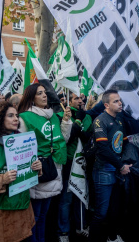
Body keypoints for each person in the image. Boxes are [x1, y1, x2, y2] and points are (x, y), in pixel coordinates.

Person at [0, 101, 42, 242]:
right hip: (0, 220)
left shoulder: (21, 142)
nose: (16, 118)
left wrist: (36, 168)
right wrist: (0, 180)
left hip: (23, 215)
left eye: (16, 115)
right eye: (11, 116)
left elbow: (27, 174)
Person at [18, 83, 72, 242]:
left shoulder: (53, 116)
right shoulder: (24, 117)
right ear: (31, 98)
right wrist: (36, 156)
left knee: (42, 217)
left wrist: (66, 122)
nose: (44, 96)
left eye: (44, 93)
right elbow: (21, 147)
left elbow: (62, 140)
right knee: (34, 218)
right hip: (38, 172)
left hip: (53, 170)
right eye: (39, 93)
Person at [89, 89, 132, 242]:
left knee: (115, 209)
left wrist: (125, 162)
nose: (120, 103)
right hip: (103, 170)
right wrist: (121, 166)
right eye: (116, 101)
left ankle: (112, 237)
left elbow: (122, 142)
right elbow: (103, 149)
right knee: (101, 212)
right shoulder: (100, 120)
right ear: (106, 104)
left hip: (117, 170)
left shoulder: (120, 119)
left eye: (120, 100)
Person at [56, 92, 93, 242]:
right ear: (69, 100)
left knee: (81, 195)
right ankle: (63, 232)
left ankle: (81, 226)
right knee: (66, 199)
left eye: (81, 98)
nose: (80, 100)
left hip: (83, 161)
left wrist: (81, 122)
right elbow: (67, 138)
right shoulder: (61, 115)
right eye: (76, 98)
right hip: (68, 162)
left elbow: (88, 137)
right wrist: (77, 121)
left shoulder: (88, 116)